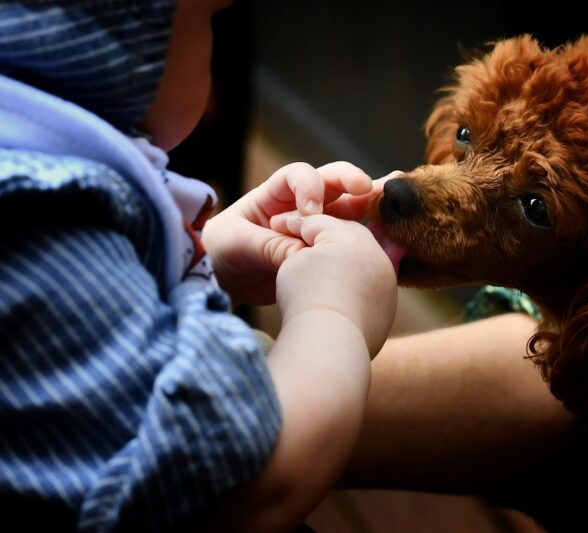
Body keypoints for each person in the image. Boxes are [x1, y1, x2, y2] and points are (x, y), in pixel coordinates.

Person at [0, 1, 397, 531]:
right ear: (116, 42)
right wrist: (335, 313)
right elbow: (245, 487)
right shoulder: (39, 222)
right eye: (207, 19)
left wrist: (201, 254)